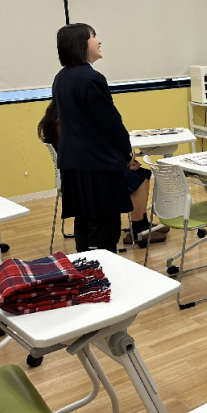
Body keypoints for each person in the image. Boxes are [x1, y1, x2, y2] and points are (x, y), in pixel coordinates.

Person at [37, 100, 170, 248]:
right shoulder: (68, 123)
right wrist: (124, 162)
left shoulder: (52, 123)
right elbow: (95, 154)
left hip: (71, 180)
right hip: (95, 179)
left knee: (137, 173)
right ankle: (139, 228)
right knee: (141, 177)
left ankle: (141, 225)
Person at [51, 24, 135, 253]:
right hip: (98, 165)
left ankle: (85, 269)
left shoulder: (61, 78)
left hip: (74, 164)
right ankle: (103, 271)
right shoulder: (91, 78)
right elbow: (110, 124)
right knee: (104, 229)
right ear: (80, 44)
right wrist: (127, 153)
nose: (99, 41)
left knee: (84, 225)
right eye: (93, 37)